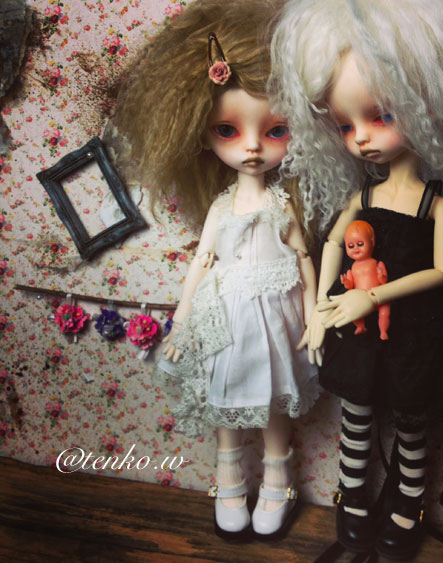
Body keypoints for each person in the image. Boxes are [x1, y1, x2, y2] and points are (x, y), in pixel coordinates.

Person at [270, 0, 443, 558]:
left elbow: (441, 270)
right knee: (356, 415)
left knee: (412, 421)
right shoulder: (364, 196)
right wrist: (323, 308)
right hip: (360, 324)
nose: (360, 138)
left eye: (381, 117)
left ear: (434, 108)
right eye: (345, 124)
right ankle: (352, 495)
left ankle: (408, 501)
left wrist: (369, 295)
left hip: (418, 326)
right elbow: (332, 244)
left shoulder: (432, 205)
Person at [110, 0, 320, 541]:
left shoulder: (282, 205)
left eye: (275, 130)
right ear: (202, 134)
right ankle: (228, 480)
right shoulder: (222, 208)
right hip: (225, 315)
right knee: (226, 394)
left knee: (275, 397)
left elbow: (303, 258)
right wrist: (181, 322)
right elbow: (202, 261)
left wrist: (316, 315)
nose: (251, 146)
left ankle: (279, 479)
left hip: (278, 314)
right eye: (228, 129)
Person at [341, 220, 390, 338]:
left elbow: (384, 282)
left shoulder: (377, 263)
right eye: (351, 246)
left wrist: (381, 276)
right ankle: (360, 326)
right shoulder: (352, 268)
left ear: (372, 241)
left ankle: (383, 331)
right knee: (353, 311)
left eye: (360, 244)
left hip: (378, 295)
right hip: (360, 299)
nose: (356, 248)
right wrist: (346, 282)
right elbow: (350, 286)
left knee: (385, 312)